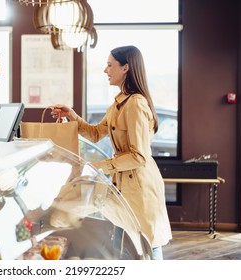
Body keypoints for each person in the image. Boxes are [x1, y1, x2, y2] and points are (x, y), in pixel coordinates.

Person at [50, 45, 172, 260]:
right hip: (123, 185)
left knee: (145, 246)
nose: (105, 70)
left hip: (140, 186)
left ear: (125, 68)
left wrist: (99, 167)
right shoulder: (119, 103)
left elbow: (138, 157)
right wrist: (73, 116)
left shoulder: (135, 104)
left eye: (109, 65)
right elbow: (96, 133)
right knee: (121, 244)